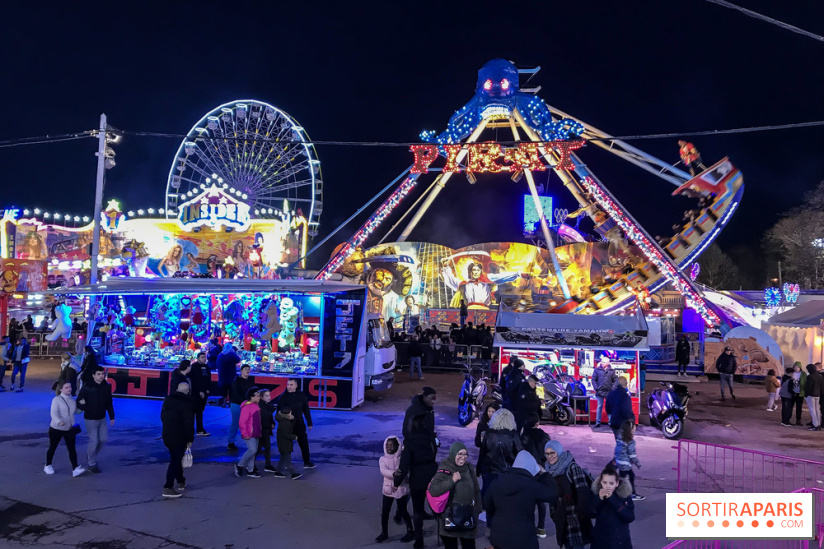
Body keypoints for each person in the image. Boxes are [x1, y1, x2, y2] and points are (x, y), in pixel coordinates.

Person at [484, 450, 559, 549]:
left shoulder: (497, 482)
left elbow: (487, 504)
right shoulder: (530, 486)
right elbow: (553, 494)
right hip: (523, 540)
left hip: (499, 537)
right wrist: (544, 474)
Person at [427, 442, 483, 549]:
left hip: (468, 516)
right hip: (451, 517)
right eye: (460, 454)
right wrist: (452, 480)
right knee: (451, 546)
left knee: (469, 545)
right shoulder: (445, 468)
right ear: (453, 454)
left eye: (465, 454)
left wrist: (477, 509)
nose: (463, 457)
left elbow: (476, 490)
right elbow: (433, 490)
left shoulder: (469, 468)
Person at [394, 415, 438, 549]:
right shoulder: (430, 437)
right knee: (437, 508)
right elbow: (435, 451)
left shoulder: (410, 441)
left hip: (418, 477)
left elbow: (404, 464)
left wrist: (397, 481)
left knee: (417, 510)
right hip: (433, 474)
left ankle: (419, 541)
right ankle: (444, 535)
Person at [545, 440, 592, 549]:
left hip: (576, 521)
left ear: (559, 452)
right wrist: (554, 515)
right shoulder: (550, 471)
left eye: (552, 453)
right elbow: (552, 497)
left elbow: (583, 491)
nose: (549, 456)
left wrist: (580, 513)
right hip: (563, 521)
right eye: (547, 453)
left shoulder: (572, 467)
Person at [76, 366, 115, 474]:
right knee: (94, 441)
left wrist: (112, 416)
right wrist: (85, 407)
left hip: (102, 418)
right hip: (90, 419)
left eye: (102, 374)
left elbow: (109, 402)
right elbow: (78, 402)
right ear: (93, 375)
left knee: (103, 440)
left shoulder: (106, 386)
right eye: (98, 374)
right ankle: (91, 464)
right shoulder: (87, 387)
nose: (101, 376)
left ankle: (90, 455)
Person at [376, 436, 414, 543]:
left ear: (397, 446)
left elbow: (406, 469)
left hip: (401, 489)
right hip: (388, 490)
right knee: (385, 512)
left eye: (392, 445)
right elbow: (383, 471)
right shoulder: (383, 459)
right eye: (387, 445)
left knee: (403, 511)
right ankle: (384, 533)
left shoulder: (402, 458)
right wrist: (393, 473)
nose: (389, 447)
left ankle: (410, 531)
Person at [44, 381, 86, 477]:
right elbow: (53, 413)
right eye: (66, 387)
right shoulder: (56, 400)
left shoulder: (72, 400)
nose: (69, 389)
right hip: (56, 428)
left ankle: (75, 468)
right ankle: (48, 465)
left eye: (70, 387)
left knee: (72, 449)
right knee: (53, 447)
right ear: (61, 389)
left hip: (69, 428)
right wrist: (59, 421)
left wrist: (82, 405)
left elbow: (76, 411)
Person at [160, 382, 194, 498]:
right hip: (179, 436)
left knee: (176, 457)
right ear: (187, 391)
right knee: (175, 461)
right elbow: (188, 423)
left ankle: (180, 480)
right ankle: (168, 487)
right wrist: (190, 438)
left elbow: (162, 417)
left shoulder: (167, 400)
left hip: (167, 434)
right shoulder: (186, 403)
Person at [590, 462, 635, 549]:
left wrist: (612, 499)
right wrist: (598, 499)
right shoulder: (596, 494)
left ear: (617, 483)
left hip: (619, 541)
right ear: (600, 482)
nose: (607, 486)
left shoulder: (624, 495)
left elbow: (630, 517)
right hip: (600, 540)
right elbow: (590, 513)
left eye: (611, 483)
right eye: (605, 482)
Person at [520, 412, 551, 538]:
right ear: (537, 423)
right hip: (540, 469)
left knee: (528, 500)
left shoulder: (524, 436)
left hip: (527, 470)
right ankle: (541, 527)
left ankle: (528, 526)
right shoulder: (543, 436)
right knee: (541, 501)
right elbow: (547, 453)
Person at [479, 408, 522, 499]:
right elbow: (520, 453)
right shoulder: (513, 435)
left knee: (489, 496)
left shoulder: (488, 434)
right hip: (507, 471)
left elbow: (483, 452)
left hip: (490, 471)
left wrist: (479, 469)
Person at [278, 378, 315, 468]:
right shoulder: (283, 397)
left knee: (304, 443)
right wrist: (286, 417)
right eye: (288, 385)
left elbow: (306, 409)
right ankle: (287, 464)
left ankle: (307, 462)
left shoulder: (301, 395)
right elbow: (278, 412)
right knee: (287, 446)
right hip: (288, 425)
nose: (289, 387)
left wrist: (309, 422)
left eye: (291, 385)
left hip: (299, 423)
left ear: (296, 386)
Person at [235, 387, 262, 478]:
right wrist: (245, 433)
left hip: (255, 432)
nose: (259, 398)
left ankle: (250, 470)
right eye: (257, 396)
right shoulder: (247, 407)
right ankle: (240, 465)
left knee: (253, 451)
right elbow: (242, 422)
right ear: (252, 397)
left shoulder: (255, 406)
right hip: (250, 433)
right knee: (252, 450)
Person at [227, 364, 255, 451]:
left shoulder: (250, 382)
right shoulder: (236, 382)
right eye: (245, 369)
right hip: (237, 405)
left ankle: (252, 443)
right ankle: (230, 442)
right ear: (241, 371)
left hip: (247, 405)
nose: (247, 370)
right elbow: (235, 395)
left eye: (248, 369)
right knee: (236, 423)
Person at [614, 420, 643, 501]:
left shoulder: (620, 437)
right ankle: (630, 494)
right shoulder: (630, 441)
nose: (635, 427)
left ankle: (619, 493)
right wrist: (638, 463)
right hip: (625, 464)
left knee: (625, 477)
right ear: (631, 429)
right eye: (634, 426)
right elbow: (632, 454)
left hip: (619, 462)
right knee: (627, 478)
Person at [273, 405, 302, 480]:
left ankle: (278, 471)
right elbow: (286, 434)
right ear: (287, 414)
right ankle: (292, 473)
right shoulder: (285, 423)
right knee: (288, 460)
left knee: (283, 458)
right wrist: (294, 437)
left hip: (283, 444)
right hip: (285, 444)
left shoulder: (283, 421)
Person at [606, 377, 635, 441]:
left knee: (618, 441)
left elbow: (607, 408)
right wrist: (632, 420)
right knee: (623, 443)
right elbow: (627, 411)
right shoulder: (625, 396)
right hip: (623, 423)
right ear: (626, 384)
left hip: (614, 422)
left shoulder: (611, 394)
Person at [592, 357, 617, 428]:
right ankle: (597, 422)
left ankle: (611, 422)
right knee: (599, 406)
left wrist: (613, 389)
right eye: (602, 362)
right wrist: (596, 388)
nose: (602, 363)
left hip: (609, 392)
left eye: (604, 362)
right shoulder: (597, 370)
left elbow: (615, 380)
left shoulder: (612, 370)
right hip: (599, 391)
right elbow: (593, 380)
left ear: (608, 363)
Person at [190, 352, 211, 436]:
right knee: (193, 411)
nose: (204, 359)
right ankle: (192, 429)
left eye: (205, 357)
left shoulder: (206, 367)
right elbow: (194, 381)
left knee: (200, 411)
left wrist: (208, 389)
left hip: (205, 392)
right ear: (198, 358)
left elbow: (208, 378)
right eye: (202, 357)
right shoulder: (194, 367)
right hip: (195, 393)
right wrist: (199, 391)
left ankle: (200, 429)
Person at [216, 342, 241, 407]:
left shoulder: (220, 355)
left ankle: (224, 402)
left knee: (224, 389)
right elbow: (238, 360)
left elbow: (217, 364)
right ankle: (230, 403)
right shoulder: (232, 354)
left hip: (222, 375)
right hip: (231, 374)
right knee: (231, 389)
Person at [258, 389, 276, 473]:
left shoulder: (268, 406)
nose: (269, 397)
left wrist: (272, 423)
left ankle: (268, 465)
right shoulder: (261, 407)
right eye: (266, 396)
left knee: (267, 448)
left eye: (269, 395)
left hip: (266, 431)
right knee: (256, 449)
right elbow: (263, 420)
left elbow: (270, 418)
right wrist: (270, 425)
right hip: (262, 431)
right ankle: (248, 466)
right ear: (261, 397)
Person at [804, 364, 823, 431]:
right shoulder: (820, 376)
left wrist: (806, 394)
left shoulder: (810, 377)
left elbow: (808, 387)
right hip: (817, 395)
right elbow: (822, 387)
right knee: (817, 410)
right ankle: (818, 423)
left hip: (811, 395)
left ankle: (815, 425)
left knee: (812, 410)